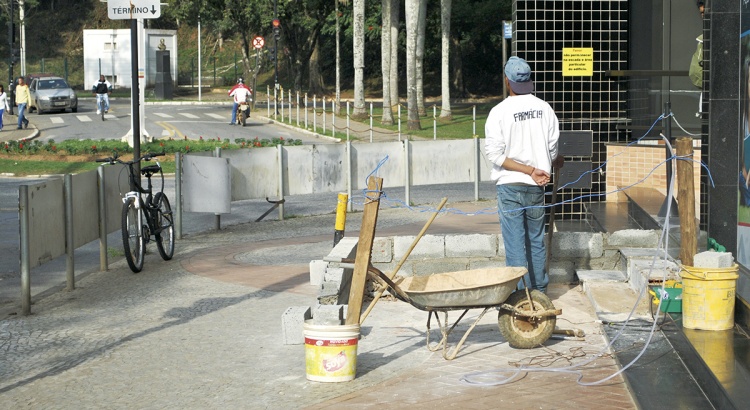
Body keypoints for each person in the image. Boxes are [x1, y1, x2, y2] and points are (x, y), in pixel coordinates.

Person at [485, 56, 562, 294]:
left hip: (510, 187)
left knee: (515, 244)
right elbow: (552, 150)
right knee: (536, 240)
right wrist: (535, 169)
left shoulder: (499, 112)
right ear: (529, 81)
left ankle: (522, 296)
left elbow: (495, 155)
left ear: (507, 81)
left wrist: (526, 169)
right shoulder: (544, 108)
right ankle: (539, 292)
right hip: (536, 186)